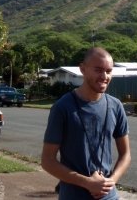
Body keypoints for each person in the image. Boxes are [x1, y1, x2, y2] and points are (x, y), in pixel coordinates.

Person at [41, 47, 131, 199]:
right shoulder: (62, 107)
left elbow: (126, 154)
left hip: (109, 195)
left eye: (109, 71)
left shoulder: (115, 106)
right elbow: (47, 161)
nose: (104, 76)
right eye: (98, 70)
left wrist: (110, 182)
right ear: (82, 69)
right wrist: (87, 183)